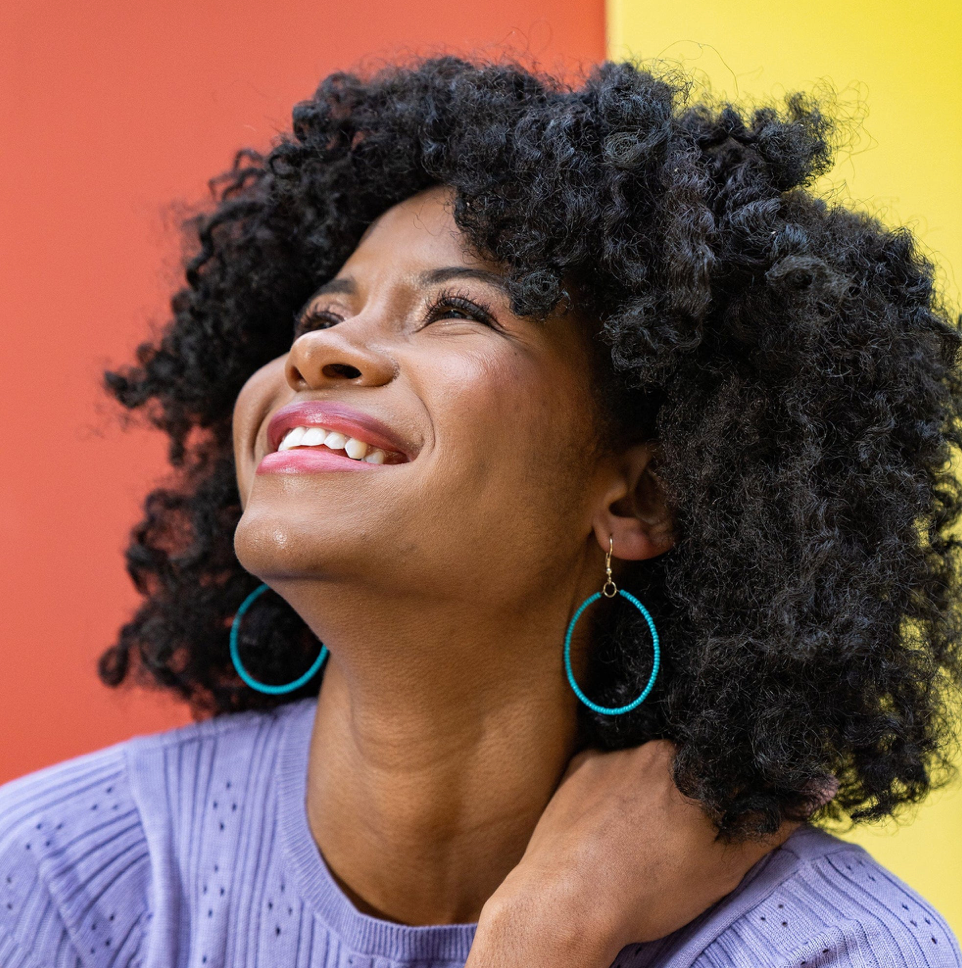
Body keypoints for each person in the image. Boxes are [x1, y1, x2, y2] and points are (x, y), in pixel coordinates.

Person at [1, 54, 960, 968]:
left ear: (638, 496)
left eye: (456, 310)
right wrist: (545, 938)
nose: (320, 357)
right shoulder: (55, 879)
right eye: (321, 320)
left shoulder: (828, 949)